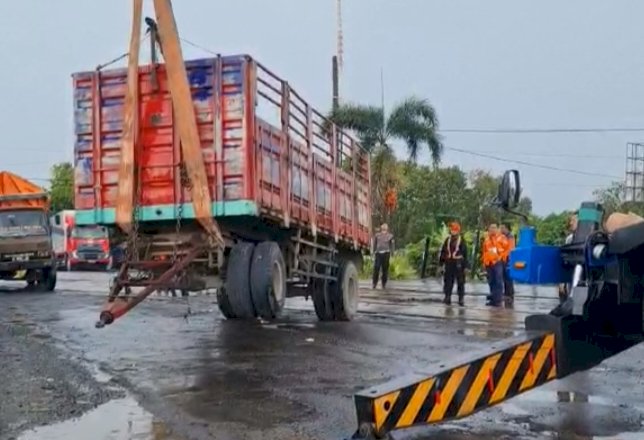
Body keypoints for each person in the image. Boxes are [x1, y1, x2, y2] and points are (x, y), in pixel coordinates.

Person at [439, 222, 468, 306]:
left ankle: (461, 298)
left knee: (460, 282)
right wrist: (441, 264)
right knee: (448, 281)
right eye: (452, 229)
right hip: (449, 263)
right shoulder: (447, 240)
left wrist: (466, 266)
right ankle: (447, 297)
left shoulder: (461, 240)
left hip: (459, 264)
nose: (453, 231)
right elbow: (443, 252)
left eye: (455, 230)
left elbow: (465, 253)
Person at [482, 223, 509, 307]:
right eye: (491, 228)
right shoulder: (486, 240)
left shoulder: (502, 238)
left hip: (498, 262)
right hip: (489, 263)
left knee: (498, 280)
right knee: (491, 281)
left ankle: (498, 300)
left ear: (497, 229)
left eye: (494, 228)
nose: (492, 229)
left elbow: (507, 249)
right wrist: (484, 262)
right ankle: (493, 298)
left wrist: (501, 258)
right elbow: (484, 251)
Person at [372, 223, 394, 289]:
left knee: (385, 269)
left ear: (387, 228)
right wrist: (373, 251)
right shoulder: (377, 235)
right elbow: (375, 243)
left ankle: (383, 283)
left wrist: (392, 253)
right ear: (381, 228)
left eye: (385, 227)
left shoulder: (390, 236)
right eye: (383, 227)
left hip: (386, 253)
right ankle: (374, 283)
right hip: (378, 253)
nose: (384, 228)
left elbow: (392, 245)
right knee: (376, 268)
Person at [500, 223, 516, 304]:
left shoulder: (510, 237)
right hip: (503, 259)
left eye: (502, 228)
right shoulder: (502, 237)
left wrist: (506, 257)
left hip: (508, 259)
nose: (501, 230)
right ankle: (506, 293)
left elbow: (510, 248)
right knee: (504, 277)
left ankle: (509, 294)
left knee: (508, 277)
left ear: (507, 228)